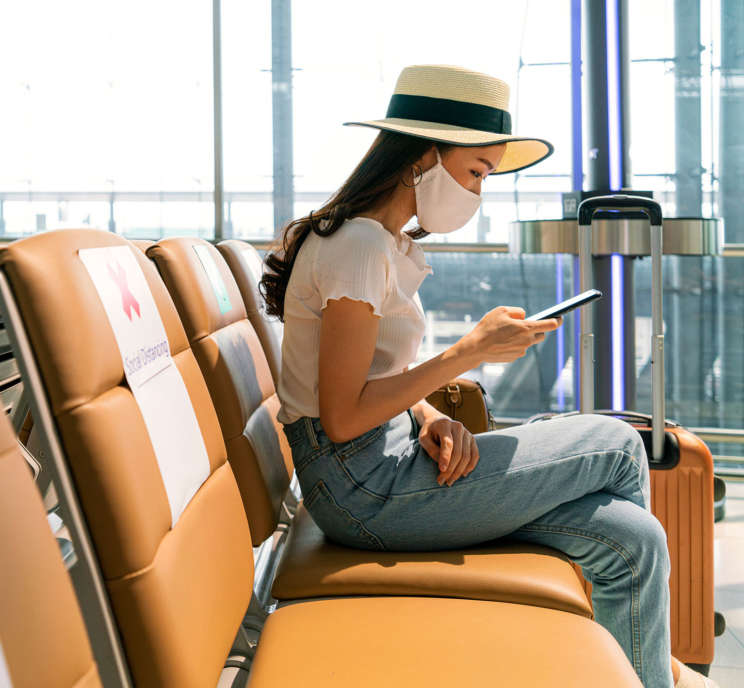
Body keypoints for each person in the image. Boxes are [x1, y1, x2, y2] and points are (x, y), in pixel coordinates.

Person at [260, 64, 714, 688]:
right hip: (362, 489)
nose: (478, 192)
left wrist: (429, 414)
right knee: (617, 444)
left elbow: (363, 380)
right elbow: (339, 418)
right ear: (423, 157)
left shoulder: (377, 244)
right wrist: (469, 351)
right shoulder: (359, 249)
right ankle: (648, 673)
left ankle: (639, 668)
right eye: (475, 172)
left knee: (630, 538)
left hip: (377, 465)